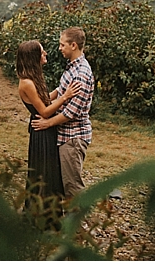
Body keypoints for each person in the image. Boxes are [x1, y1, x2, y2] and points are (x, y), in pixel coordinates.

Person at [16, 39, 80, 209]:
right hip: (42, 129)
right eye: (42, 52)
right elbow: (44, 111)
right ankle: (39, 216)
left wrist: (59, 90)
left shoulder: (33, 77)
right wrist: (65, 97)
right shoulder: (27, 83)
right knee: (44, 173)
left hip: (45, 128)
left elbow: (43, 99)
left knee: (50, 173)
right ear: (33, 57)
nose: (45, 54)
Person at [32, 27, 94, 198]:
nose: (59, 48)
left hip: (73, 137)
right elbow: (61, 90)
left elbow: (71, 113)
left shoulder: (81, 73)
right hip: (65, 135)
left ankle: (78, 224)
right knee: (63, 183)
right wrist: (41, 100)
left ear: (73, 45)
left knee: (72, 186)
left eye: (62, 45)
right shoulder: (72, 67)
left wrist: (47, 123)